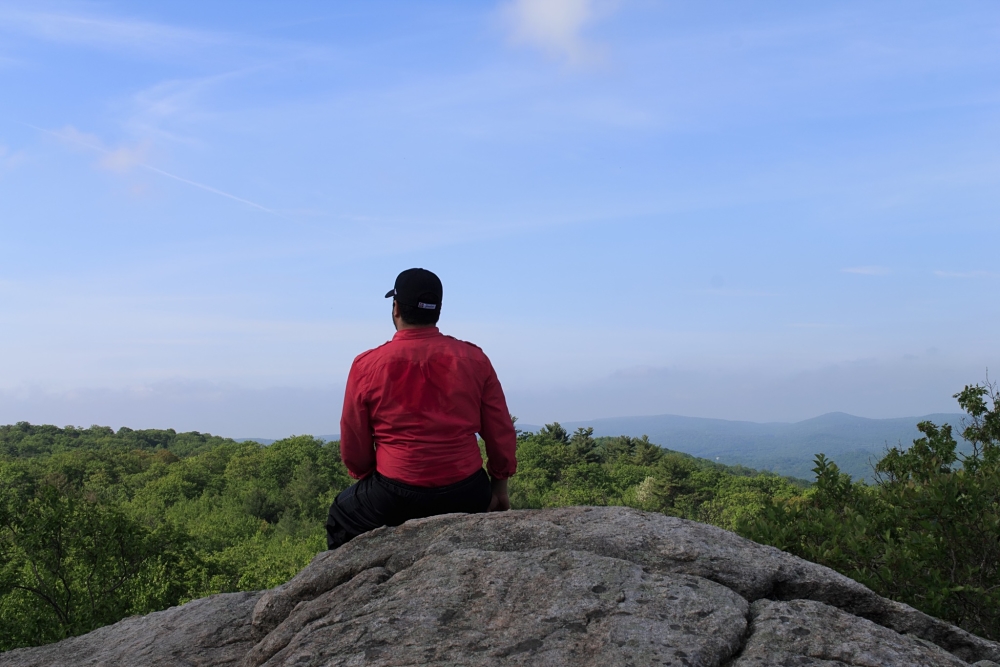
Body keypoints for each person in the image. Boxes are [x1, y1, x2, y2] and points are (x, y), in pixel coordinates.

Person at [325, 268, 517, 550]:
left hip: (394, 494)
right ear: (437, 311)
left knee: (340, 516)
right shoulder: (474, 358)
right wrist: (498, 486)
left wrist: (365, 475)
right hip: (468, 491)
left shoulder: (367, 365)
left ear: (396, 309)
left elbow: (354, 442)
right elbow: (500, 429)